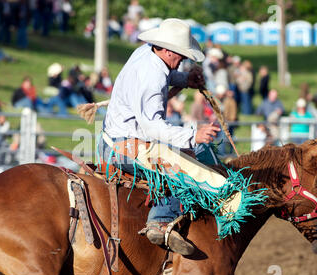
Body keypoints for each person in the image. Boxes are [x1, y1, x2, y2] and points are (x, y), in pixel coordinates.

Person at [99, 18, 249, 255]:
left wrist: (184, 80)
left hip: (118, 137)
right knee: (181, 165)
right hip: (123, 146)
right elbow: (152, 128)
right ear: (168, 51)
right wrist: (193, 135)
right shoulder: (152, 77)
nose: (183, 60)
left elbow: (165, 75)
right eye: (180, 55)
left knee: (185, 156)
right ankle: (160, 220)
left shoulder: (145, 53)